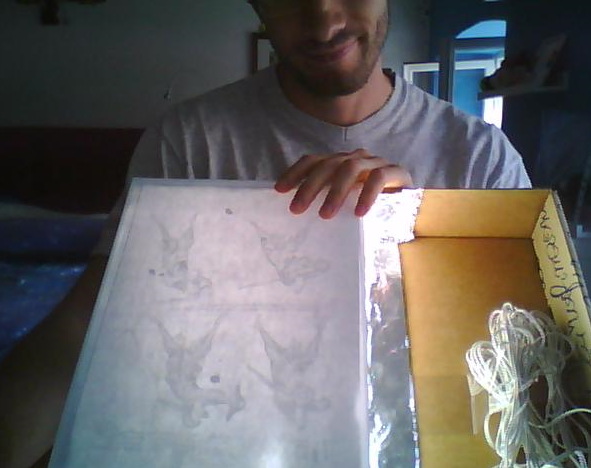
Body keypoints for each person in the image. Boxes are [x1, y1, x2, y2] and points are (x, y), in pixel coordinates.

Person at [0, 0, 531, 467]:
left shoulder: (481, 158)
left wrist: (419, 227)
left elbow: (529, 367)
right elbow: (87, 323)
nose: (324, 21)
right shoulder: (190, 140)